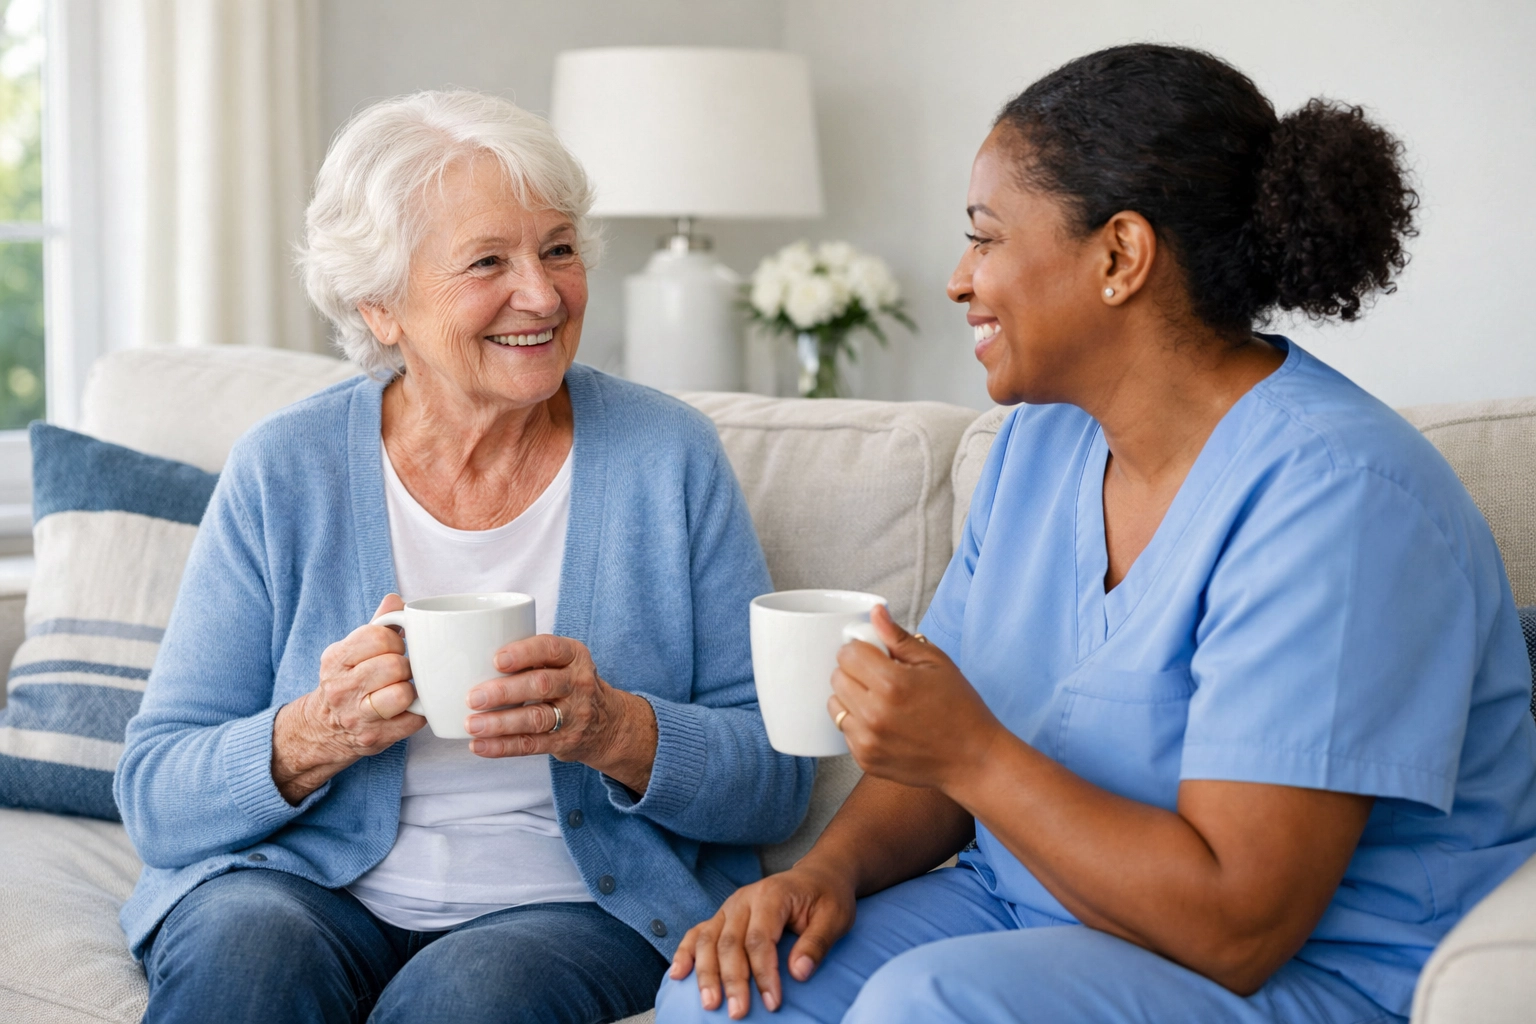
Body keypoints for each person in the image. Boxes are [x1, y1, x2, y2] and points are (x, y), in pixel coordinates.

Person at [657, 44, 1536, 1024]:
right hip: (1029, 906)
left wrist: (974, 755)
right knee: (725, 994)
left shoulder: (1340, 500)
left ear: (1120, 255)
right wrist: (824, 872)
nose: (958, 279)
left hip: (1307, 971)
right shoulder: (1042, 443)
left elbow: (1239, 927)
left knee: (927, 1006)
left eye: (986, 238)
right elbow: (937, 743)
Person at [113, 90, 813, 1024]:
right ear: (381, 307)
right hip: (303, 890)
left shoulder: (667, 456)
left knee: (468, 997)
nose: (543, 293)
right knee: (245, 955)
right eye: (489, 261)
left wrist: (613, 729)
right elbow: (157, 796)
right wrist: (318, 732)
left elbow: (775, 779)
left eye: (558, 248)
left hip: (571, 909)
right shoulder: (287, 467)